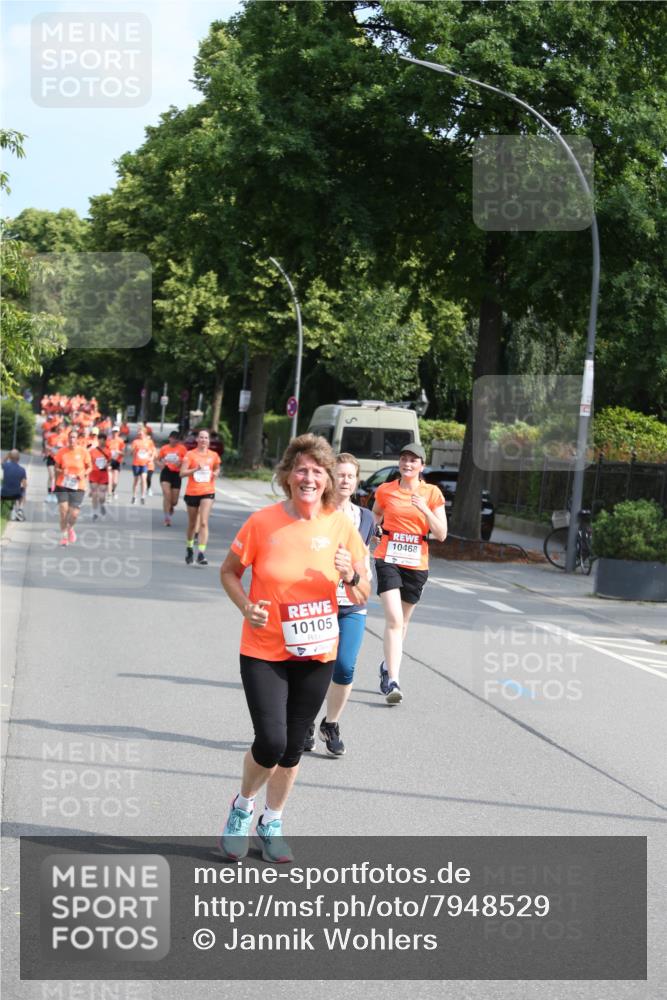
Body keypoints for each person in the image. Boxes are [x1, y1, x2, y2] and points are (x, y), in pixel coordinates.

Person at [219, 434, 369, 862]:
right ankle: (242, 807)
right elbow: (229, 572)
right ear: (287, 476)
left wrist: (351, 576)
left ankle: (272, 821)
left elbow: (363, 594)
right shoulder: (261, 522)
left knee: (291, 748)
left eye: (318, 471)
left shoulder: (341, 526)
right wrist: (246, 607)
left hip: (317, 653)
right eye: (301, 469)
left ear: (328, 481)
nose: (309, 478)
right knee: (270, 741)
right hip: (264, 649)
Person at [304, 453, 374, 756]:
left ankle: (330, 724)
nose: (345, 480)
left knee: (345, 666)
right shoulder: (318, 513)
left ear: (356, 481)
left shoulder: (366, 518)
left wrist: (359, 578)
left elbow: (364, 558)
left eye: (350, 476)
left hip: (352, 603)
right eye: (340, 475)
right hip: (319, 603)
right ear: (331, 478)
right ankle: (306, 722)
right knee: (314, 666)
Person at [372, 443, 447, 705]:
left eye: (414, 460)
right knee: (394, 620)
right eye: (404, 459)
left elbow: (441, 534)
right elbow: (376, 513)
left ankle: (386, 666)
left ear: (421, 466)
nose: (408, 464)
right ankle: (393, 680)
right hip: (387, 558)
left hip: (416, 563)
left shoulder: (432, 493)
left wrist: (424, 508)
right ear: (399, 463)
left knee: (402, 624)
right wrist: (375, 529)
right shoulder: (386, 490)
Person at [179, 429, 220, 564]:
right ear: (197, 440)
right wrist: (195, 469)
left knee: (203, 522)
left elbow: (217, 467)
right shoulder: (190, 455)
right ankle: (190, 548)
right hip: (192, 492)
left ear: (209, 440)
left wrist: (216, 473)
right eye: (201, 437)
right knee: (192, 524)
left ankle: (201, 553)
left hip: (208, 490)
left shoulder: (213, 455)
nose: (203, 440)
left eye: (206, 438)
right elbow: (182, 473)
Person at [53, 428, 92, 545]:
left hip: (78, 485)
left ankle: (70, 528)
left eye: (74, 437)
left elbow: (90, 467)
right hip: (63, 484)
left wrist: (83, 474)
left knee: (74, 514)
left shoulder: (83, 452)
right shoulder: (61, 452)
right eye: (70, 437)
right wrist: (61, 471)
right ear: (68, 439)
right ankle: (64, 536)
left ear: (78, 439)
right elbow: (56, 468)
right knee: (63, 511)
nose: (72, 439)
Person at [158, 431, 187, 527]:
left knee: (174, 501)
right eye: (173, 438)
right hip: (166, 472)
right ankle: (167, 518)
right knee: (167, 494)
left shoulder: (182, 449)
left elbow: (187, 461)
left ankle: (171, 506)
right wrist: (160, 465)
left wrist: (181, 463)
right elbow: (157, 459)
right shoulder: (164, 448)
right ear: (169, 438)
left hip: (176, 474)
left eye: (176, 439)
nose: (174, 440)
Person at [88, 432, 111, 520]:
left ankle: (102, 504)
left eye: (103, 440)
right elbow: (88, 462)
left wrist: (107, 465)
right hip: (94, 473)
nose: (101, 441)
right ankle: (95, 512)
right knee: (94, 493)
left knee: (101, 495)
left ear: (105, 441)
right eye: (100, 440)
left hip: (103, 474)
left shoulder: (108, 451)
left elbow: (109, 462)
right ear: (98, 440)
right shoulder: (92, 451)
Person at [1, 450, 28, 521]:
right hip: (16, 495)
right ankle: (20, 510)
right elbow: (25, 484)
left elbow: (2, 461)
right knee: (23, 490)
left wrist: (7, 455)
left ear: (10, 457)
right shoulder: (22, 470)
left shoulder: (6, 466)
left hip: (3, 494)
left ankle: (13, 510)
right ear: (18, 459)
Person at [130, 427, 153, 504]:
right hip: (136, 463)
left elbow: (152, 451)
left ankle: (143, 496)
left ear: (144, 433)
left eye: (141, 432)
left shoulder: (149, 442)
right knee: (136, 481)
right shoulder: (135, 442)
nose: (139, 433)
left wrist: (150, 457)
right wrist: (134, 450)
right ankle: (134, 496)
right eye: (138, 432)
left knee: (143, 479)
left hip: (144, 464)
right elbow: (131, 453)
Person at [106, 426, 125, 499]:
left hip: (117, 462)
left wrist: (118, 452)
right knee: (109, 479)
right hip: (109, 461)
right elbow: (105, 451)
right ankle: (109, 495)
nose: (115, 433)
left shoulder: (121, 441)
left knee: (115, 482)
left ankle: (113, 491)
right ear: (112, 432)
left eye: (116, 432)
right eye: (114, 431)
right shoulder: (108, 440)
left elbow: (124, 453)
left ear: (119, 432)